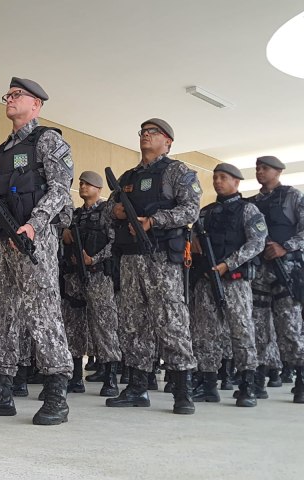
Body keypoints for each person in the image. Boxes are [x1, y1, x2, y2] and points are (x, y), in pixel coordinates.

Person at [0, 77, 74, 426]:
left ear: (36, 104)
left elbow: (60, 191)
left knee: (43, 314)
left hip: (31, 240)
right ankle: (0, 392)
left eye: (17, 95)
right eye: (7, 95)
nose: (9, 99)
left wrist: (35, 224)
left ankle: (56, 393)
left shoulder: (48, 141)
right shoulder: (2, 151)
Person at [105, 118, 201, 415]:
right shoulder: (128, 176)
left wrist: (153, 220)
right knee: (133, 323)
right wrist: (117, 210)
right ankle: (136, 387)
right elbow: (109, 208)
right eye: (143, 133)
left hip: (161, 258)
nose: (146, 136)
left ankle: (183, 391)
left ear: (168, 141)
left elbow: (191, 209)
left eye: (153, 133)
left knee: (171, 322)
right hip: (132, 260)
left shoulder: (178, 172)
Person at [190, 163, 266, 407]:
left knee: (242, 332)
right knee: (205, 334)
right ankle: (208, 383)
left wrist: (227, 264)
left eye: (223, 177)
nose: (217, 181)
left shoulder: (248, 210)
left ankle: (247, 385)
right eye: (215, 177)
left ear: (236, 182)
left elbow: (257, 242)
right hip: (206, 281)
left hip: (234, 282)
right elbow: (192, 238)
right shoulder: (206, 212)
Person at [248, 156, 304, 404]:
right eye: (258, 168)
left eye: (265, 168)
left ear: (279, 171)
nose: (260, 171)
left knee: (290, 328)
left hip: (286, 271)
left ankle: (301, 378)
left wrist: (285, 247)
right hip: (259, 271)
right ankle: (258, 379)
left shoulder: (292, 196)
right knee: (258, 329)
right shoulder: (251, 203)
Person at [61, 171, 121, 397]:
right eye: (81, 183)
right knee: (73, 327)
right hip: (74, 277)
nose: (83, 186)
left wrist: (92, 259)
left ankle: (110, 378)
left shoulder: (107, 213)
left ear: (99, 189)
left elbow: (114, 243)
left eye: (88, 184)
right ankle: (76, 377)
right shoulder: (76, 216)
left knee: (104, 326)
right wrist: (65, 237)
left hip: (98, 276)